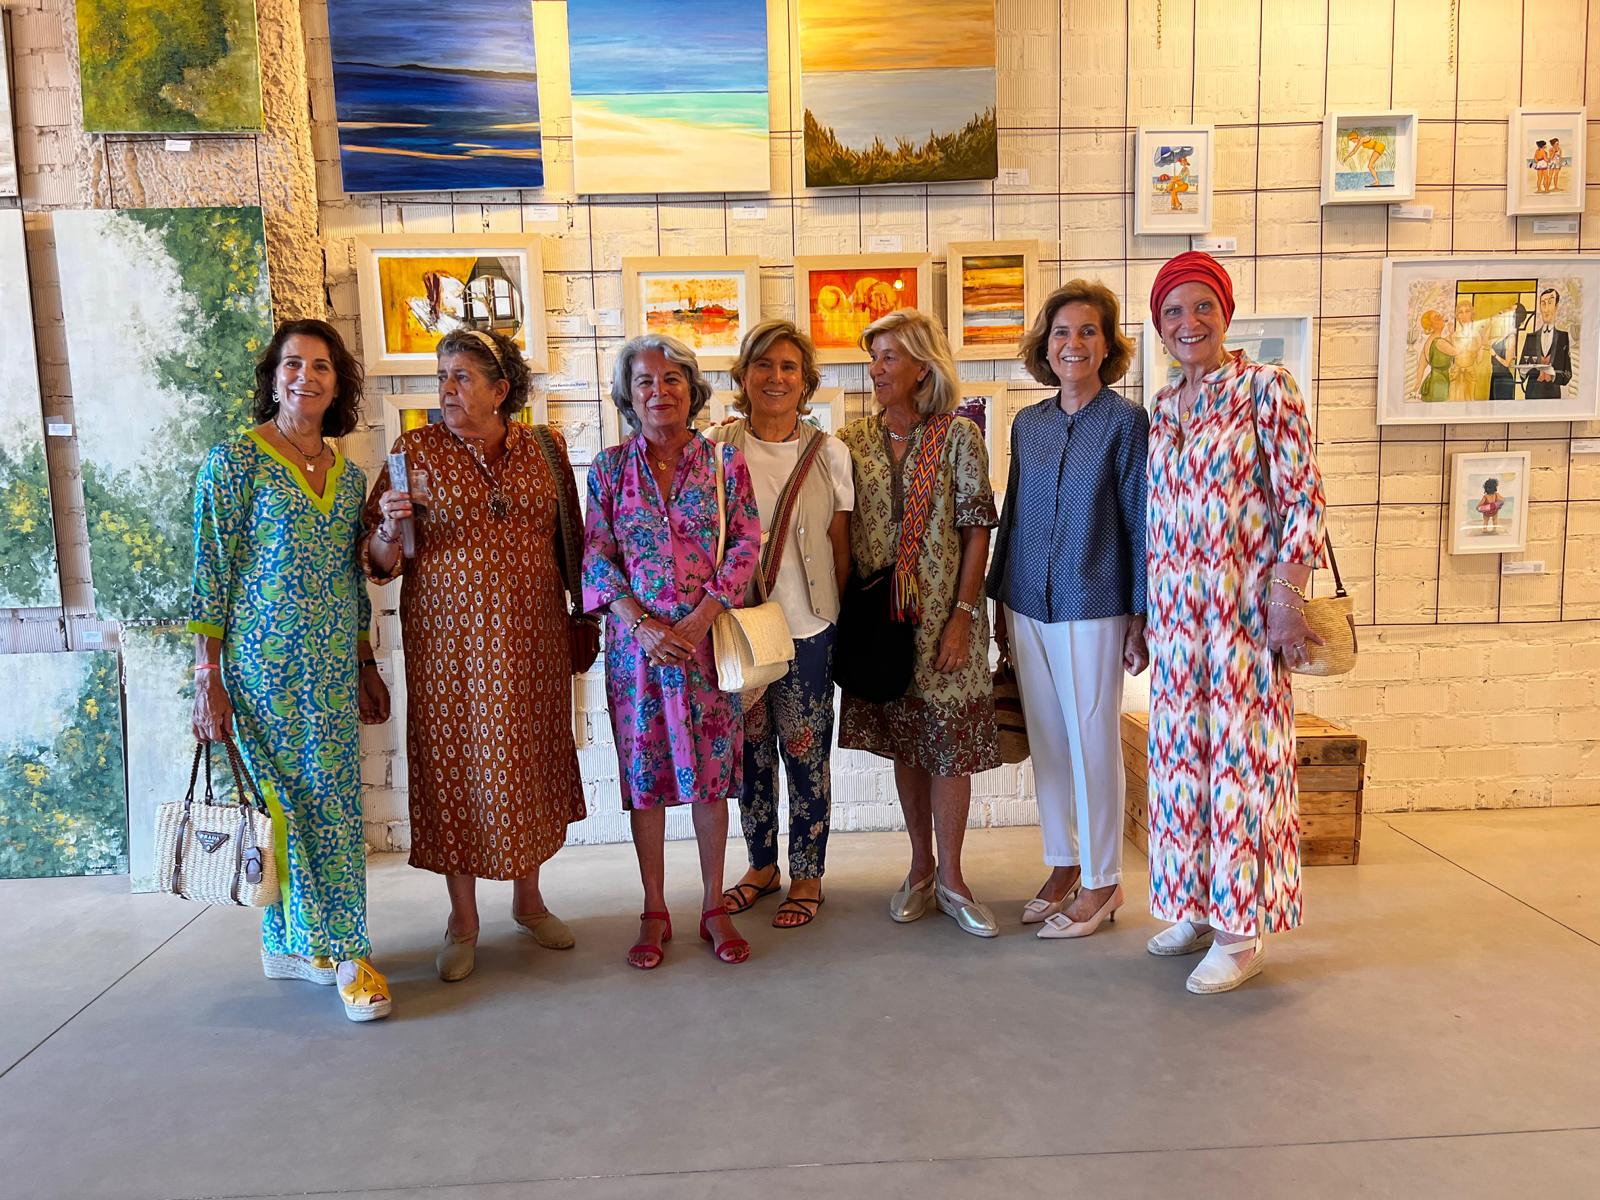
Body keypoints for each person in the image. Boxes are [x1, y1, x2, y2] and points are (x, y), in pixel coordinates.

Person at [361, 328, 587, 983]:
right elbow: (380, 565)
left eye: (462, 377)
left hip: (532, 643)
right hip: (449, 649)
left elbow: (568, 542)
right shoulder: (415, 450)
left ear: (500, 389)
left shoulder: (545, 449)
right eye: (442, 376)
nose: (447, 390)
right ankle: (463, 920)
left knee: (526, 764)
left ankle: (529, 900)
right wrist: (386, 525)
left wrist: (582, 618)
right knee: (456, 767)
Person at [189, 318, 394, 1023]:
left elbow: (350, 580)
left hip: (332, 670)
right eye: (292, 364)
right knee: (284, 809)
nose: (305, 376)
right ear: (273, 377)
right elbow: (209, 575)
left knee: (332, 810)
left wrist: (367, 662)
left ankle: (293, 943)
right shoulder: (234, 463)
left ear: (339, 384)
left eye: (321, 367)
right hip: (260, 674)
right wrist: (206, 677)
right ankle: (346, 955)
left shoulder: (350, 477)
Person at [1145, 251, 1327, 994]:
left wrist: (1287, 597)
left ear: (1224, 312)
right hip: (1177, 623)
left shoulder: (1263, 389)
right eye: (1174, 311)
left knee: (1242, 773)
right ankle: (1193, 902)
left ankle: (1242, 929)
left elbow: (1303, 498)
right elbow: (1152, 515)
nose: (1189, 322)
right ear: (1159, 324)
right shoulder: (1161, 407)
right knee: (1183, 764)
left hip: (1245, 620)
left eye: (1202, 307)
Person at [583, 334, 762, 968]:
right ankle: (654, 908)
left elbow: (745, 544)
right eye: (644, 382)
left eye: (671, 380)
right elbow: (597, 557)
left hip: (707, 648)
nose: (658, 392)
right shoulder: (608, 468)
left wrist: (701, 616)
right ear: (628, 395)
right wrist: (641, 624)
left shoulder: (723, 465)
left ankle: (714, 904)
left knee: (713, 780)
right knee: (646, 780)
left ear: (692, 390)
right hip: (638, 657)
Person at [986, 282, 1148, 939]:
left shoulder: (1125, 422)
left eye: (1087, 331)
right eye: (1061, 332)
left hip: (1095, 600)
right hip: (1028, 601)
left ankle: (1103, 881)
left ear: (1107, 345)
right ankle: (1062, 864)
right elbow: (1015, 512)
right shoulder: (1030, 423)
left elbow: (1142, 519)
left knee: (1091, 741)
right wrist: (998, 598)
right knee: (1050, 742)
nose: (1073, 343)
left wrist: (1142, 612)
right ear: (1044, 346)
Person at [836, 309, 1001, 938]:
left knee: (949, 747)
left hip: (945, 620)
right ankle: (921, 869)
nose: (877, 369)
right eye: (873, 356)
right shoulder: (850, 442)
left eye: (889, 357)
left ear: (922, 366)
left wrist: (963, 616)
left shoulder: (959, 437)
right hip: (882, 620)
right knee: (905, 740)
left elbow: (976, 529)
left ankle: (955, 878)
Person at [711, 321, 853, 930]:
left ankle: (809, 872)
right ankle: (761, 865)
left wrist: (829, 618)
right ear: (744, 377)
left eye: (789, 368)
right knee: (750, 756)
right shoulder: (715, 448)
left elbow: (840, 547)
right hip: (742, 630)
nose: (776, 378)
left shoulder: (830, 453)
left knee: (806, 754)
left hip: (808, 629)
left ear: (805, 381)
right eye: (763, 366)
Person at [1518, 287, 1571, 399]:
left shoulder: (1563, 338)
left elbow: (1567, 374)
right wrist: (1523, 372)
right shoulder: (1530, 337)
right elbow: (1521, 371)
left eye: (1550, 303)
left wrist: (1553, 374)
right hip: (1531, 396)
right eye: (1543, 304)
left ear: (1556, 307)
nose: (1546, 309)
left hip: (1553, 398)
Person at [1413, 310, 1453, 403]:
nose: (1441, 317)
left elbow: (1421, 366)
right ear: (1431, 327)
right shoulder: (1439, 342)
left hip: (1433, 383)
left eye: (1439, 315)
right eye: (1436, 317)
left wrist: (1417, 384)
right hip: (1440, 385)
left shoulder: (1430, 341)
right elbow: (1458, 352)